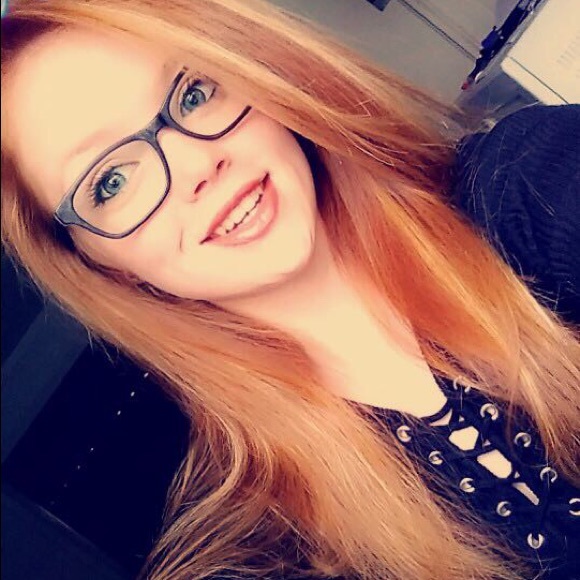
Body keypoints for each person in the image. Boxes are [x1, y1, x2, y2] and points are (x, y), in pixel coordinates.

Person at [1, 1, 578, 578]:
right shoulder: (258, 551)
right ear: (99, 265)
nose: (197, 164)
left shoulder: (519, 186)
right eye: (111, 181)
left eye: (195, 92)